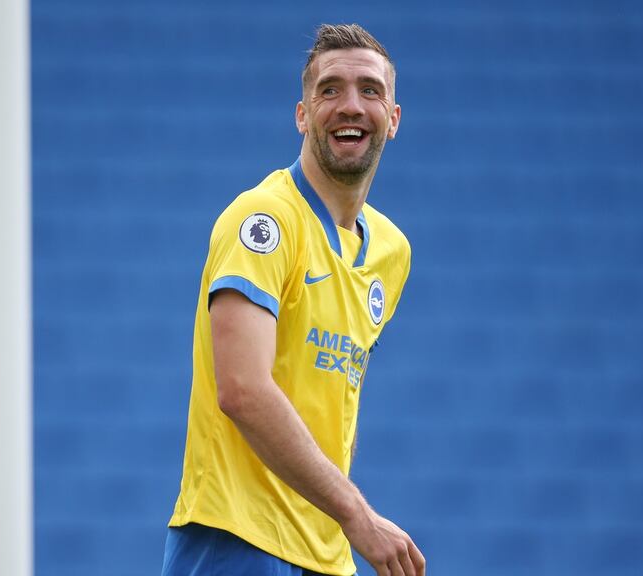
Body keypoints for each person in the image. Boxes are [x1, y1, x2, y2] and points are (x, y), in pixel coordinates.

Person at [163, 23, 425, 576]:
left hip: (326, 555)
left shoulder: (391, 252)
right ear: (302, 115)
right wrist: (357, 514)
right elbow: (243, 390)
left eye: (370, 90)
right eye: (330, 90)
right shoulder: (265, 220)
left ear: (394, 119)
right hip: (238, 540)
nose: (350, 105)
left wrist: (340, 522)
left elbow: (333, 402)